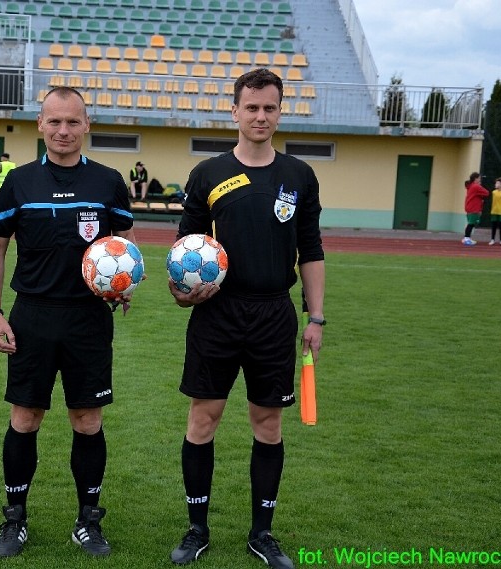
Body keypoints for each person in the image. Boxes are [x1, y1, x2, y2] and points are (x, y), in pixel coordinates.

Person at [167, 68, 325, 569]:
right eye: (252, 107)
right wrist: (182, 293)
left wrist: (315, 316)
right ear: (234, 111)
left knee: (269, 424)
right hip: (216, 314)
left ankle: (262, 533)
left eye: (270, 107)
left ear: (281, 111)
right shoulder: (208, 174)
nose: (261, 116)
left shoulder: (299, 175)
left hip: (275, 314)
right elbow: (183, 252)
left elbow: (312, 249)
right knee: (203, 420)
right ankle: (196, 529)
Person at [0, 86, 136, 559]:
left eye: (73, 122)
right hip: (32, 316)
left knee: (87, 420)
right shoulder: (18, 182)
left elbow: (124, 246)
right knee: (25, 417)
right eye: (54, 121)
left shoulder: (109, 182)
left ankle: (88, 521)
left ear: (87, 124)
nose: (63, 130)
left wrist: (124, 283)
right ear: (40, 125)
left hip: (89, 319)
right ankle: (14, 520)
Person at [462, 172, 489, 246]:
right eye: (479, 178)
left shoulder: (470, 186)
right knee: (471, 224)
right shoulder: (476, 186)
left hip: (470, 207)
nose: (480, 180)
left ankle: (467, 238)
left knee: (471, 223)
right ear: (475, 179)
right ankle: (466, 238)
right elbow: (487, 193)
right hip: (473, 208)